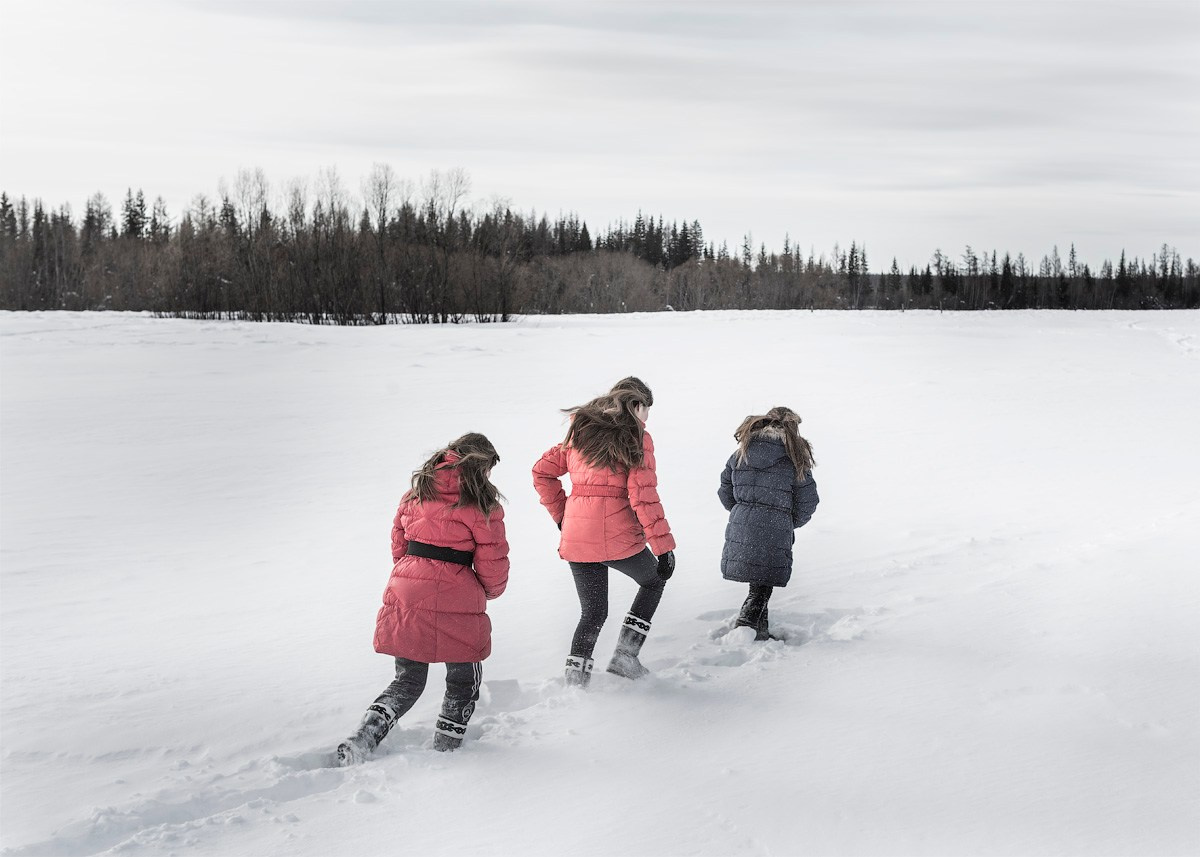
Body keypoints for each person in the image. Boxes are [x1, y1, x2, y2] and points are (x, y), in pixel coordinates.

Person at [336, 433, 509, 765]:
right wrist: (489, 591)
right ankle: (447, 749)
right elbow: (492, 561)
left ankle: (362, 740)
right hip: (457, 596)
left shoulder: (416, 493)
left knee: (408, 680)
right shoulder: (483, 505)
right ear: (481, 466)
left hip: (407, 590)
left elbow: (398, 544)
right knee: (463, 678)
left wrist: (412, 574)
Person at [532, 377, 676, 686]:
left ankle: (575, 680)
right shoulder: (637, 437)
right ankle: (626, 657)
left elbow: (541, 472)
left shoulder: (581, 430)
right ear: (635, 404)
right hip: (618, 537)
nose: (647, 416)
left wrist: (563, 517)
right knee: (654, 580)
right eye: (646, 408)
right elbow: (643, 496)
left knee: (593, 612)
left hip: (577, 537)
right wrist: (663, 548)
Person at [718, 407, 819, 641]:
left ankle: (760, 632)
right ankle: (744, 629)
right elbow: (808, 500)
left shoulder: (742, 452)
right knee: (762, 587)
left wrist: (743, 513)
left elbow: (725, 490)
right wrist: (788, 522)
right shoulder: (793, 459)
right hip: (776, 528)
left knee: (760, 582)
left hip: (742, 526)